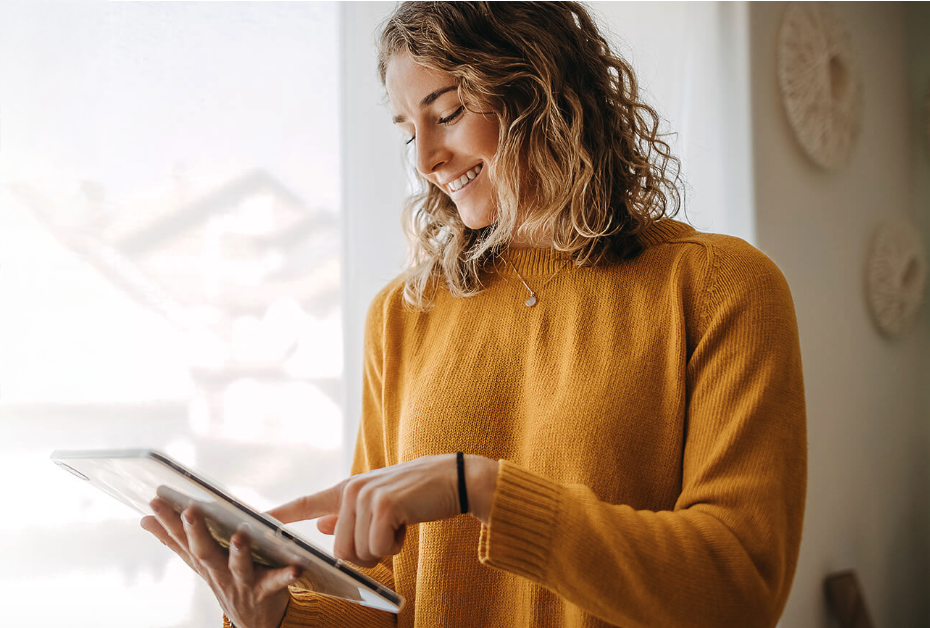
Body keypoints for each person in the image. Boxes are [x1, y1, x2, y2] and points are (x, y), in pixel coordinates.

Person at [142, 2, 807, 627]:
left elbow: (739, 585)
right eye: (409, 131)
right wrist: (279, 615)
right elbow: (396, 600)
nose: (427, 160)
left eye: (449, 111)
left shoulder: (721, 287)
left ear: (540, 86)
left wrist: (485, 490)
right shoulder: (402, 317)